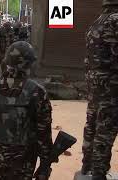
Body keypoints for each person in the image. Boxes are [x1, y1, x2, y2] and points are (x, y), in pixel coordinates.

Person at [0, 41, 53, 180]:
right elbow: (43, 131)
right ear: (28, 64)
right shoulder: (37, 92)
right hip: (25, 159)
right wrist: (45, 163)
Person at [82, 0, 118, 179]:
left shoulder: (98, 21)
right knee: (105, 130)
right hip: (111, 87)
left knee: (92, 124)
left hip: (95, 85)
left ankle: (86, 165)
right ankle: (98, 173)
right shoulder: (116, 20)